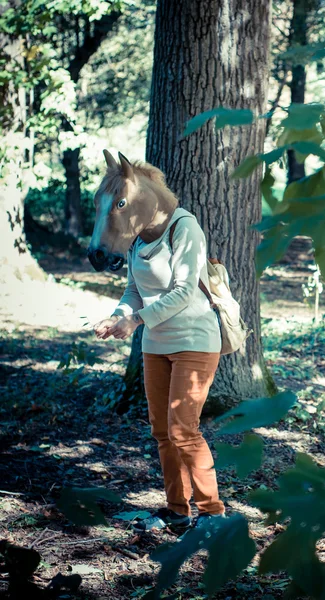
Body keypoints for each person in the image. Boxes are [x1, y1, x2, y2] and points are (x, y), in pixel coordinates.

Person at [92, 204, 225, 532]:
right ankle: (177, 512)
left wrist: (135, 321)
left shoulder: (184, 227)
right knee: (163, 433)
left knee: (184, 430)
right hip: (156, 345)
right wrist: (118, 314)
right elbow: (133, 290)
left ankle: (213, 515)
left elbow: (184, 291)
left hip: (194, 340)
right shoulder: (137, 239)